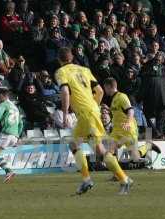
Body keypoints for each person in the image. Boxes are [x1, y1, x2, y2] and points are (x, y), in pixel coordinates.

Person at [55, 47, 133, 195]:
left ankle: (122, 179)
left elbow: (65, 91)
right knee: (76, 144)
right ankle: (88, 180)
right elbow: (100, 91)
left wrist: (65, 114)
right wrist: (94, 106)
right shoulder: (84, 69)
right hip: (91, 111)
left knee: (97, 150)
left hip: (85, 114)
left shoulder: (61, 72)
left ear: (59, 60)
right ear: (71, 57)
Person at [103, 78, 160, 164]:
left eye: (105, 87)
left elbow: (130, 110)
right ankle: (114, 169)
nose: (104, 90)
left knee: (135, 158)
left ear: (109, 86)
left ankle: (148, 146)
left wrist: (128, 122)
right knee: (109, 150)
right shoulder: (113, 99)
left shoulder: (122, 96)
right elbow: (119, 113)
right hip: (117, 131)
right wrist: (109, 110)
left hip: (128, 130)